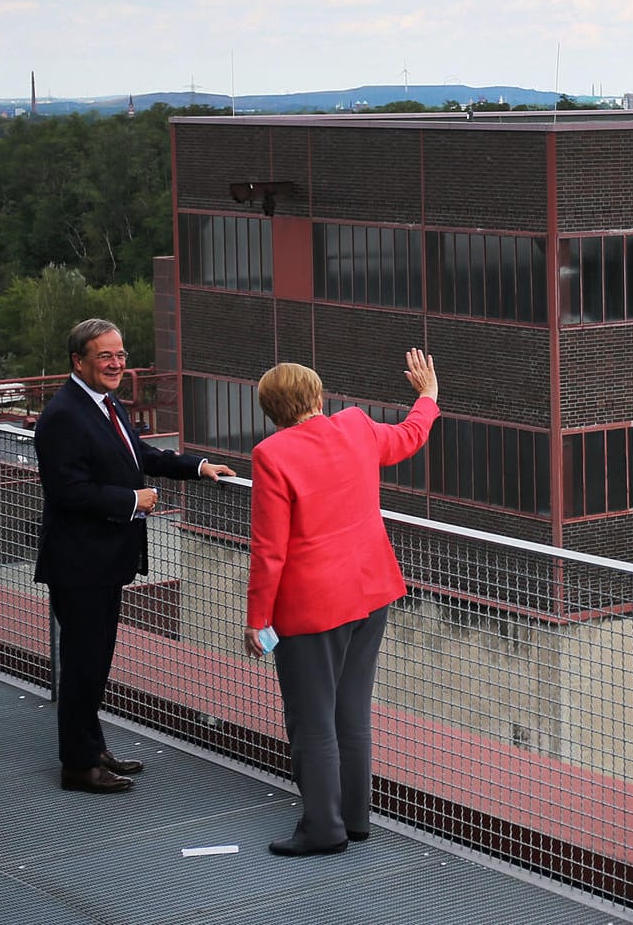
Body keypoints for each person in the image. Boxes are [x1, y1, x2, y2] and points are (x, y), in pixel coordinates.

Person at [245, 348, 439, 856]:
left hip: (311, 610)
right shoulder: (355, 426)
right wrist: (427, 397)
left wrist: (257, 620)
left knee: (313, 722)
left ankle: (323, 830)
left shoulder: (272, 455)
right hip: (371, 592)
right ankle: (355, 820)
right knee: (351, 714)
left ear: (272, 410)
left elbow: (269, 550)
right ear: (317, 395)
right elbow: (410, 437)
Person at [34, 318, 235, 793]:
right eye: (105, 356)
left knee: (96, 660)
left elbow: (138, 455)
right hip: (80, 564)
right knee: (83, 664)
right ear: (78, 361)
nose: (117, 363)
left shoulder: (106, 405)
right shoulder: (63, 414)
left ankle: (91, 747)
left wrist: (197, 466)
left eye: (121, 354)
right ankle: (79, 766)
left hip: (105, 561)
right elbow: (66, 491)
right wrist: (132, 501)